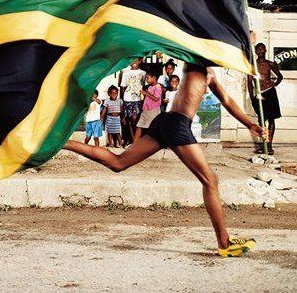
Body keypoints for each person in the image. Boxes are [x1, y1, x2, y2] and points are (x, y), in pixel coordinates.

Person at [65, 63, 266, 257]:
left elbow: (228, 101)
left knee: (119, 163)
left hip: (165, 121)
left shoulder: (210, 74)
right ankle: (224, 243)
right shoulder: (194, 63)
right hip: (177, 124)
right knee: (210, 181)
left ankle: (63, 142)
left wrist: (250, 124)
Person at [248, 43, 283, 155]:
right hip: (258, 94)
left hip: (270, 93)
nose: (260, 51)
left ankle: (269, 145)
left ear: (265, 50)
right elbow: (249, 82)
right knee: (261, 120)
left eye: (262, 48)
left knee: (271, 119)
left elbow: (280, 76)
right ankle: (262, 145)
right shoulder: (252, 65)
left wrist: (274, 84)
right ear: (256, 52)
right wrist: (252, 96)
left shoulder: (270, 64)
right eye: (258, 49)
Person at [120, 60, 146, 146]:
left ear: (140, 61)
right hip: (128, 99)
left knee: (136, 119)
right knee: (130, 120)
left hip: (138, 99)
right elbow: (123, 88)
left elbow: (145, 87)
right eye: (132, 60)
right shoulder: (125, 72)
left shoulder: (143, 73)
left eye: (136, 60)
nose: (134, 62)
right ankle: (132, 140)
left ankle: (137, 139)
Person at [134, 70, 162, 142]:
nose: (146, 80)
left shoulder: (158, 87)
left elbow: (156, 99)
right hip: (146, 109)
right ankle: (135, 142)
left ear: (154, 78)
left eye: (148, 78)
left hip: (153, 110)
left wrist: (146, 93)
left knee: (152, 127)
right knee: (139, 125)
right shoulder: (150, 87)